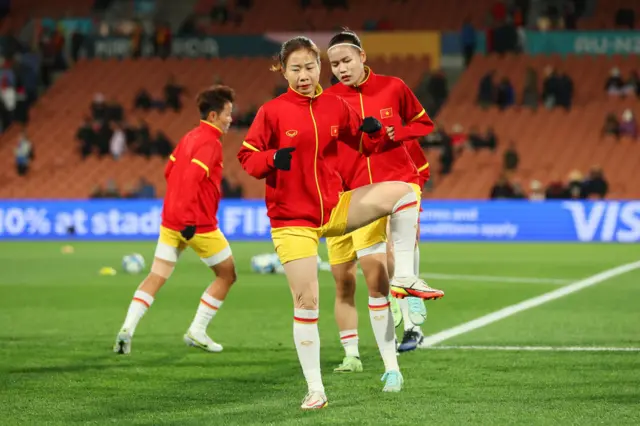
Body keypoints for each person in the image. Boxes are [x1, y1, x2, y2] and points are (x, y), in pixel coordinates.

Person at [237, 36, 434, 409]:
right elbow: (247, 157)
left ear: (318, 68)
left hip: (334, 207)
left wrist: (374, 130)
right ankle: (316, 389)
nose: (304, 75)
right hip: (292, 219)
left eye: (310, 67)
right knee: (307, 299)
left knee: (405, 192)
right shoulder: (272, 111)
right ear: (283, 71)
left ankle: (405, 276)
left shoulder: (335, 105)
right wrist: (270, 159)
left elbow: (366, 145)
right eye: (295, 69)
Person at [323, 30, 443, 369]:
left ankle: (412, 322)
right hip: (358, 193)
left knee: (398, 252)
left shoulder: (393, 86)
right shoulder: (330, 99)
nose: (342, 69)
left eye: (346, 61)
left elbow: (423, 126)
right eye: (334, 65)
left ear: (363, 57)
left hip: (397, 183)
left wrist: (396, 133)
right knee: (373, 270)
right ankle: (400, 309)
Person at [113, 86, 238, 356]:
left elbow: (169, 171)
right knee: (227, 274)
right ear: (214, 115)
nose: (231, 119)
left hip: (171, 222)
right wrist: (190, 217)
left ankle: (127, 329)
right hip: (197, 225)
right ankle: (197, 330)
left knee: (156, 275)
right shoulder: (210, 143)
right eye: (228, 114)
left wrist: (177, 211)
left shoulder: (189, 137)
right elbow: (192, 180)